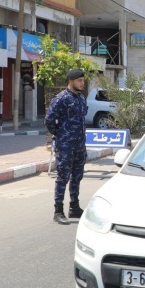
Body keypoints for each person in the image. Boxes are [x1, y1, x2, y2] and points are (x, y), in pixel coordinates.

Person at [45, 69, 88, 225]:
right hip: (66, 145)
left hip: (79, 145)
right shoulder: (61, 99)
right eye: (80, 81)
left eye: (83, 80)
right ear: (71, 81)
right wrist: (61, 135)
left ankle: (74, 207)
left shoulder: (81, 98)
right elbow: (49, 120)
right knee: (63, 177)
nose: (82, 83)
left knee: (77, 176)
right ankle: (58, 211)